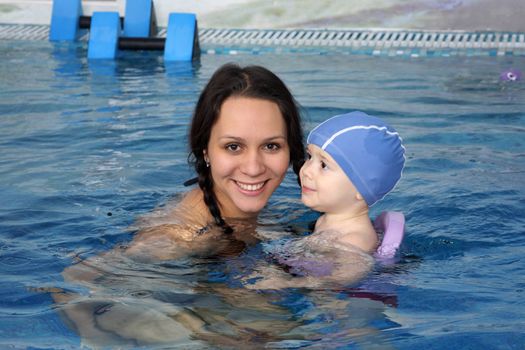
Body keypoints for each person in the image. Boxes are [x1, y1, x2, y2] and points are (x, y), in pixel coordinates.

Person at [52, 63, 306, 347]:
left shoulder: (242, 211)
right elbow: (72, 280)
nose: (253, 167)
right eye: (233, 146)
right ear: (205, 150)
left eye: (271, 146)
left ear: (290, 149)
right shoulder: (186, 234)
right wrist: (95, 338)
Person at [247, 111, 405, 289]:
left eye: (323, 165)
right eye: (309, 157)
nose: (306, 170)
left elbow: (343, 279)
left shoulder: (356, 240)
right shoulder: (328, 219)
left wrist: (287, 283)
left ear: (361, 188)